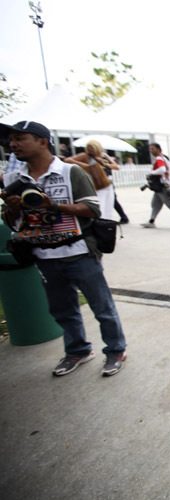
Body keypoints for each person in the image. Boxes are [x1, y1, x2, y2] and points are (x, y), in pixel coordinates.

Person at [0, 121, 127, 377]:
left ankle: (115, 350)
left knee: (102, 307)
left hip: (79, 251)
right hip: (43, 254)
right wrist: (13, 206)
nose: (12, 144)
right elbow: (10, 221)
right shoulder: (12, 179)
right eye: (11, 139)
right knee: (61, 309)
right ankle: (77, 350)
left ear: (42, 141)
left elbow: (93, 209)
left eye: (20, 138)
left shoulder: (71, 172)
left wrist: (53, 207)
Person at [65, 140, 116, 220]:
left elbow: (116, 166)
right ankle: (99, 221)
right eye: (89, 149)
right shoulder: (85, 155)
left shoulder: (103, 156)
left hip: (107, 183)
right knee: (100, 204)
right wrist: (86, 166)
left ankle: (106, 222)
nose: (90, 151)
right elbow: (68, 160)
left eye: (92, 149)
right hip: (96, 184)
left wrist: (105, 164)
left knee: (109, 205)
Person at [141, 143, 170, 228]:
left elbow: (162, 170)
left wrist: (151, 173)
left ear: (159, 149)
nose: (151, 151)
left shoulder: (159, 158)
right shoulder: (164, 158)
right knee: (155, 204)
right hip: (161, 186)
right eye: (150, 149)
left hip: (162, 186)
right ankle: (151, 221)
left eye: (153, 149)